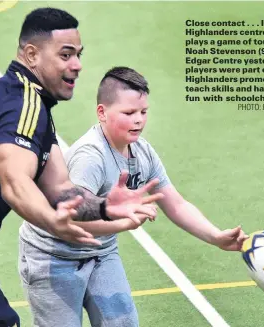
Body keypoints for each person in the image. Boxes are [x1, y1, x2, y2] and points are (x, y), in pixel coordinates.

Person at [0, 9, 161, 327]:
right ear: (32, 54)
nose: (77, 65)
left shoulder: (30, 106)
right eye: (65, 54)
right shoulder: (22, 104)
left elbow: (60, 189)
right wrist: (51, 222)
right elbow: (16, 182)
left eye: (78, 55)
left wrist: (104, 207)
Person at [19, 66, 249, 327]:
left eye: (143, 112)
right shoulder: (90, 158)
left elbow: (175, 203)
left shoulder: (142, 152)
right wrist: (123, 222)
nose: (139, 119)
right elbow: (74, 219)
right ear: (102, 113)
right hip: (54, 256)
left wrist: (215, 236)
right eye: (129, 113)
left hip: (100, 252)